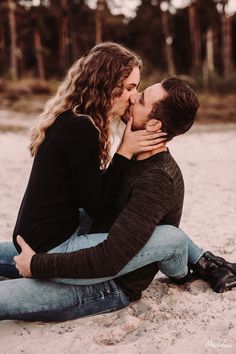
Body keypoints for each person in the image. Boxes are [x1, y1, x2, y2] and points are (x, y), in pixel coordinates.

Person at [1, 77, 235, 321]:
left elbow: (110, 258)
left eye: (141, 99)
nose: (133, 96)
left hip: (109, 285)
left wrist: (37, 265)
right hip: (84, 248)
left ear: (154, 125)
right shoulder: (134, 153)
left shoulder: (157, 180)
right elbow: (100, 200)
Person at [10, 42, 166, 256]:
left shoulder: (70, 118)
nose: (133, 97)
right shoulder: (81, 128)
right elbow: (97, 207)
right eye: (130, 87)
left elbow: (87, 189)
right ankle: (202, 261)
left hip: (35, 234)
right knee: (150, 240)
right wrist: (125, 151)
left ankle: (203, 260)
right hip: (51, 245)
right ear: (106, 84)